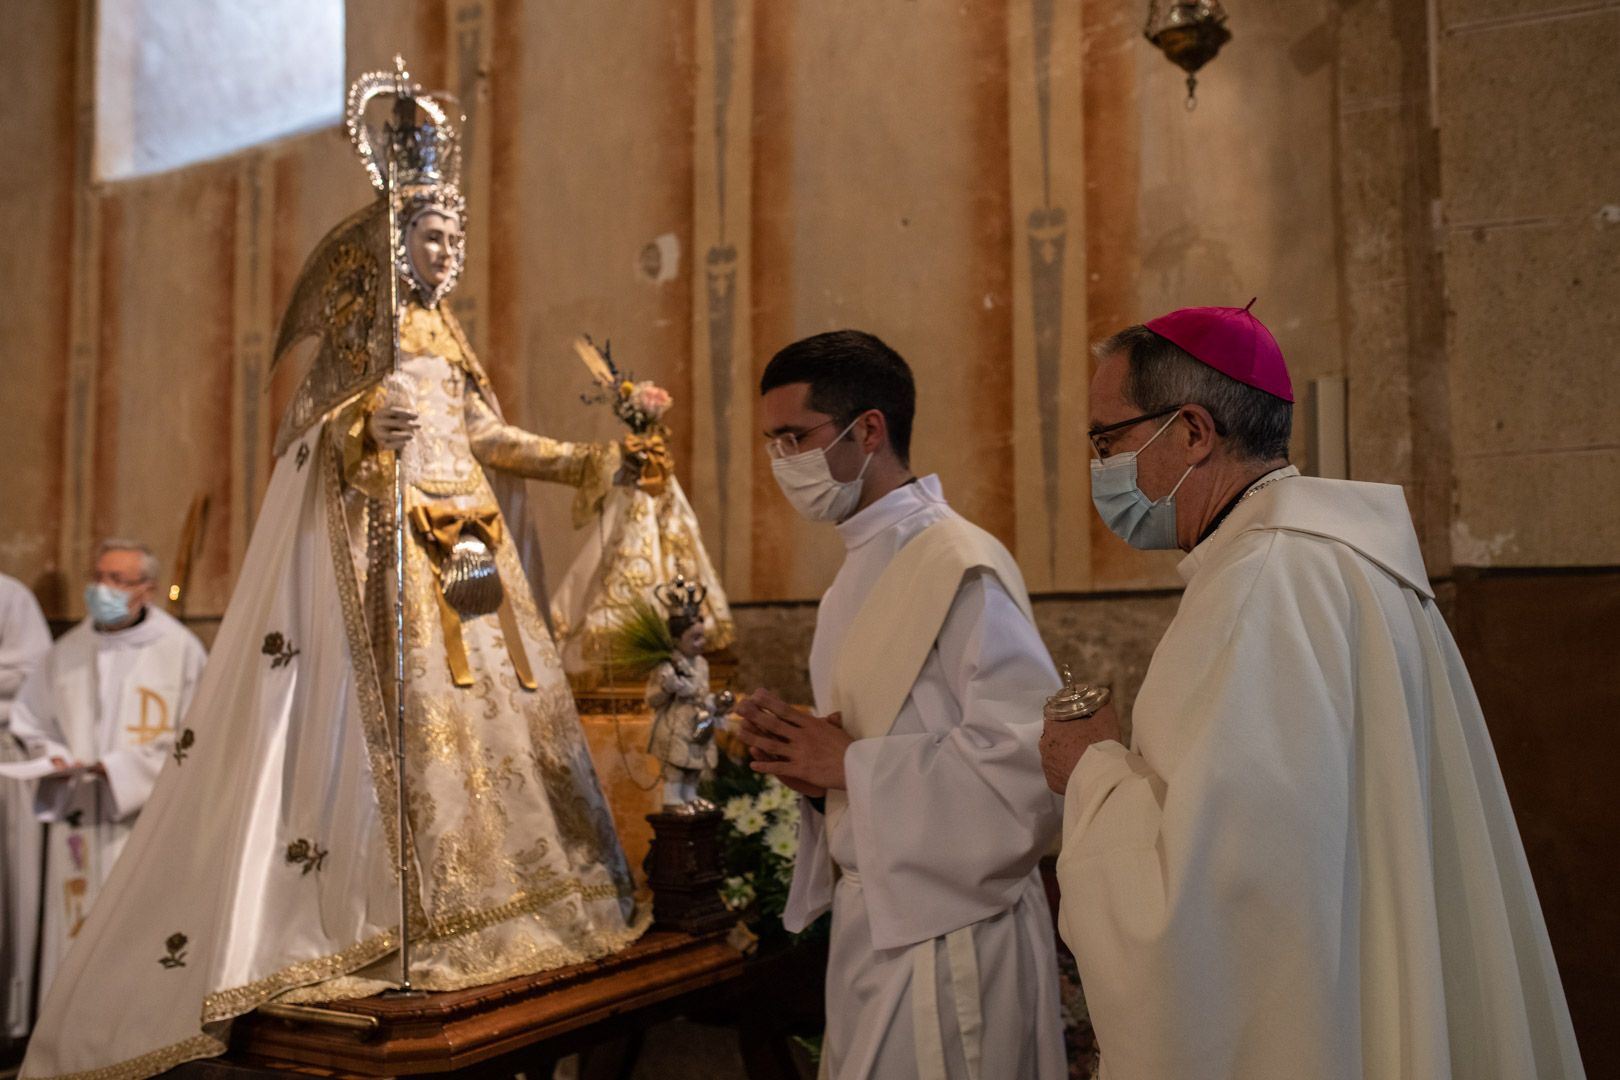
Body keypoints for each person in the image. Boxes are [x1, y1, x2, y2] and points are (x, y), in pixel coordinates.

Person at [20, 64, 641, 1080]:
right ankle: (401, 915)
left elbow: (486, 433)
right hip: (392, 555)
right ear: (390, 242)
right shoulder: (368, 334)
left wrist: (584, 461)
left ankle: (499, 901)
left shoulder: (444, 331)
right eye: (430, 235)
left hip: (468, 555)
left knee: (494, 724)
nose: (447, 252)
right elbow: (307, 447)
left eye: (455, 235)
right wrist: (366, 424)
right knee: (409, 730)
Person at [1040, 304, 1585, 1079]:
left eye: (1108, 441)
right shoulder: (1349, 565)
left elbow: (1213, 911)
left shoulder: (1260, 589)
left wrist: (1089, 768)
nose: (1100, 468)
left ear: (1193, 432)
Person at [736, 330, 1066, 1079]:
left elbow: (1028, 769)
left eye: (796, 437)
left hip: (954, 944)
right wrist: (812, 772)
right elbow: (873, 750)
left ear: (870, 429)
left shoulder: (959, 564)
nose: (783, 462)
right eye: (771, 442)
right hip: (879, 925)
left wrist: (849, 765)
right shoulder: (851, 578)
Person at [6, 542, 206, 1008]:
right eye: (98, 576)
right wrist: (53, 755)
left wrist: (115, 769)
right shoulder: (68, 650)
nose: (103, 589)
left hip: (142, 818)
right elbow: (32, 721)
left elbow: (196, 737)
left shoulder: (180, 651)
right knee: (74, 927)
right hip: (78, 814)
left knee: (136, 927)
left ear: (148, 590)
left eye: (118, 579)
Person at [0, 572, 51, 1040]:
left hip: (5, 759)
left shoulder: (10, 595)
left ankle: (10, 1018)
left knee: (9, 892)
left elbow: (33, 671)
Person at [644, 576, 727, 812]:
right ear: (676, 639)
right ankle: (672, 799)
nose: (701, 643)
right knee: (677, 763)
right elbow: (651, 698)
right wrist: (666, 688)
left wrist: (717, 702)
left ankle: (690, 796)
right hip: (675, 724)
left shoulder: (702, 664)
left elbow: (702, 693)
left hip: (698, 721)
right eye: (694, 638)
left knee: (695, 763)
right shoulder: (666, 665)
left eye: (703, 637)